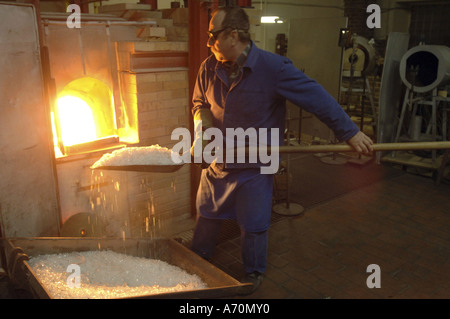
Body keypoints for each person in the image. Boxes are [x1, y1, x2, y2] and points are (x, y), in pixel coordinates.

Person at [189, 6, 373, 294]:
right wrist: (202, 134)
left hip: (254, 168)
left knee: (253, 226)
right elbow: (200, 104)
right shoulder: (208, 68)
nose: (208, 42)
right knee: (207, 217)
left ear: (233, 36)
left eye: (213, 35)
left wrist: (349, 131)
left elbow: (317, 98)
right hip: (219, 164)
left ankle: (253, 274)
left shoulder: (273, 69)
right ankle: (196, 260)